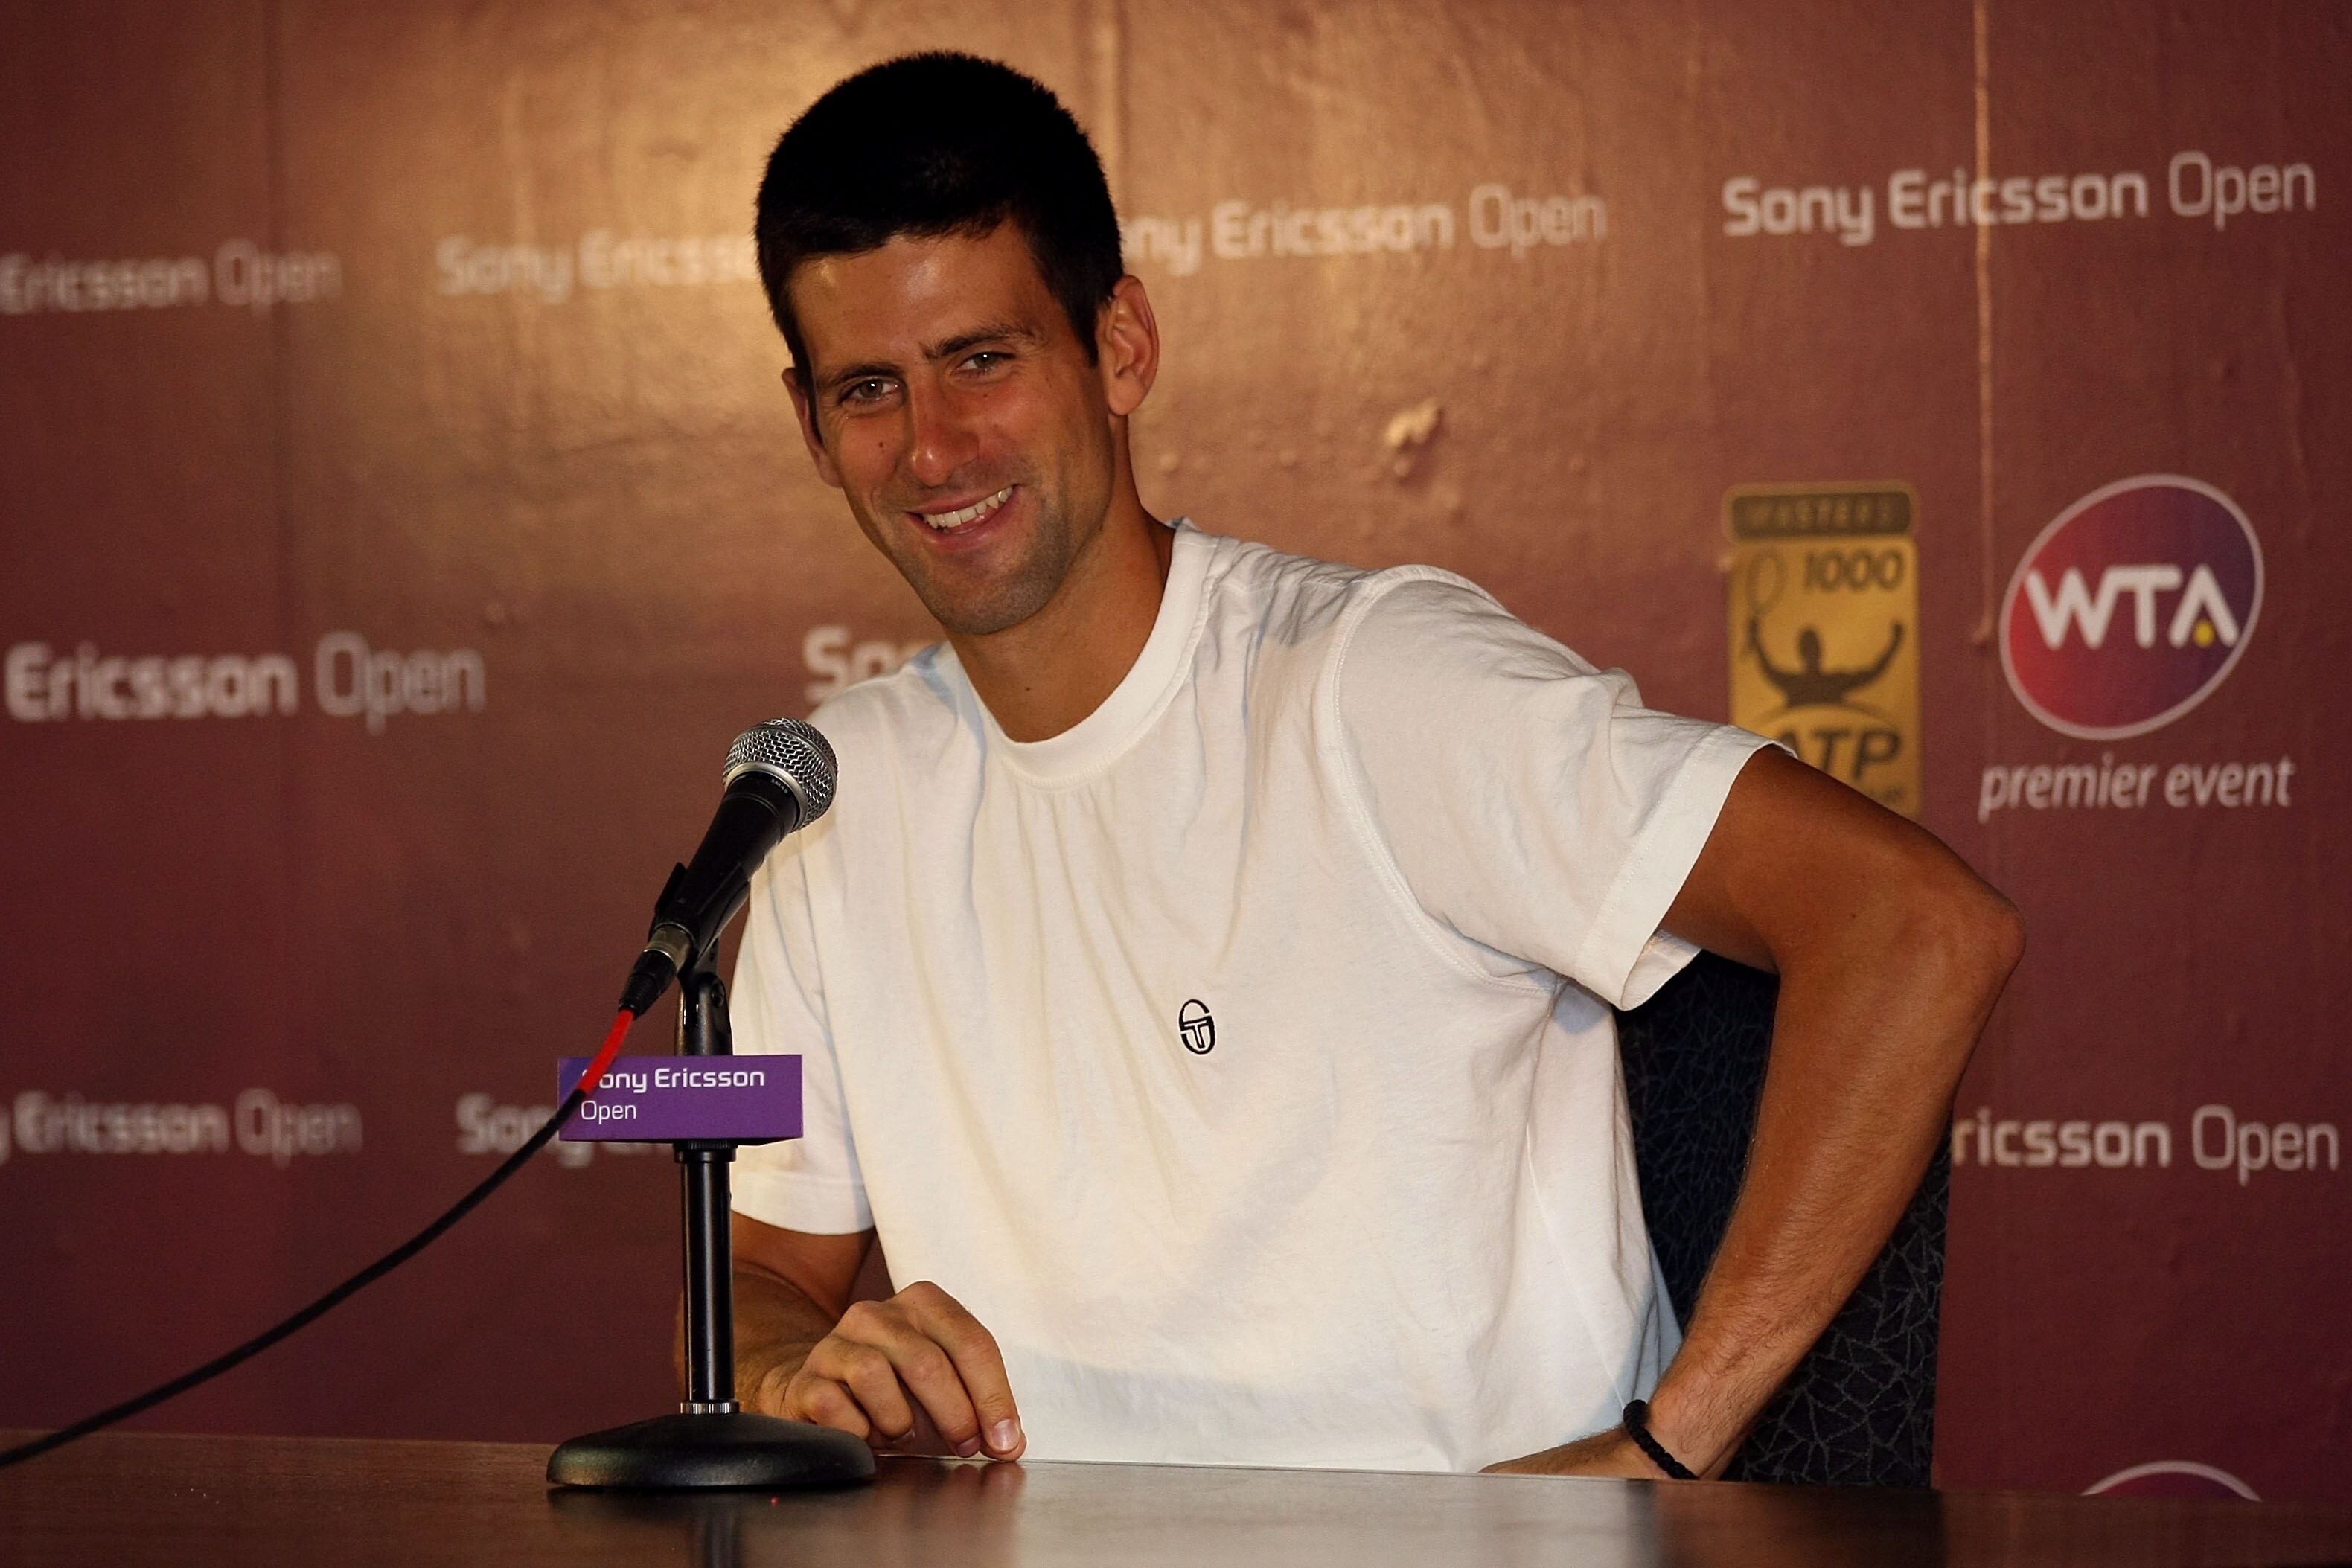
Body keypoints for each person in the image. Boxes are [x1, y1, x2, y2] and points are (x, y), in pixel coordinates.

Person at [717, 51, 2022, 1477]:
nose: (933, 447)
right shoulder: (825, 805)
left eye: (983, 358)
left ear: (1123, 346)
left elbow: (1918, 925)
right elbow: (768, 1274)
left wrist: (1669, 1451)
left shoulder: (1376, 683)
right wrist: (784, 1362)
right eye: (867, 390)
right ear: (810, 431)